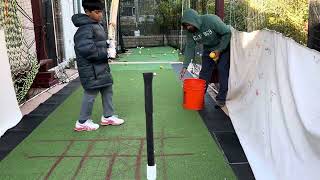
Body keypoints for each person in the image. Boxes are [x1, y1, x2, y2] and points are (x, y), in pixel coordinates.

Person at [72, 0, 124, 131]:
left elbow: (97, 43)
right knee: (90, 94)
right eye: (96, 12)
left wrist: (107, 44)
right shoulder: (84, 28)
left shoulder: (96, 24)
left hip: (100, 68)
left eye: (101, 11)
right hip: (91, 70)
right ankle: (82, 122)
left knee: (107, 89)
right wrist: (106, 53)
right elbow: (87, 49)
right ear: (87, 12)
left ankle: (108, 116)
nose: (100, 14)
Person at [180, 8, 231, 107]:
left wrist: (219, 50)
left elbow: (227, 33)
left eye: (189, 24)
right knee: (204, 73)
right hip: (208, 49)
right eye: (186, 26)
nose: (188, 27)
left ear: (195, 20)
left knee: (222, 70)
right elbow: (190, 48)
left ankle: (221, 98)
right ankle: (198, 96)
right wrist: (185, 66)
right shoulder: (190, 32)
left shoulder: (211, 20)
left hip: (222, 47)